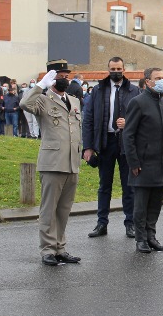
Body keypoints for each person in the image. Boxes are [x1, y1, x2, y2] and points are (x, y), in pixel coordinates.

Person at [20, 60, 83, 266]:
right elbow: (24, 104)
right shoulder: (42, 100)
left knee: (64, 209)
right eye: (60, 76)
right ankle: (48, 249)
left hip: (71, 162)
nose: (64, 79)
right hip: (52, 162)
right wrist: (40, 86)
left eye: (66, 76)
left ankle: (60, 248)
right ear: (51, 78)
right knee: (49, 209)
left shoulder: (74, 101)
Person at [82, 57, 141, 239]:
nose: (116, 71)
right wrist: (88, 147)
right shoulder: (98, 90)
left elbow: (141, 117)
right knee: (104, 186)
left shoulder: (134, 90)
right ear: (108, 69)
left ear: (124, 69)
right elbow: (88, 119)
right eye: (113, 69)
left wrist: (128, 122)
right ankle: (102, 223)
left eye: (119, 68)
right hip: (105, 142)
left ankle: (130, 224)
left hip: (126, 143)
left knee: (129, 186)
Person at [123, 67, 163, 253]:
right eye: (157, 78)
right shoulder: (138, 102)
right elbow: (128, 135)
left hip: (162, 163)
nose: (162, 81)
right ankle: (141, 239)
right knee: (141, 205)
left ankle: (151, 236)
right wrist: (133, 162)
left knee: (155, 203)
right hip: (143, 163)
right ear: (147, 81)